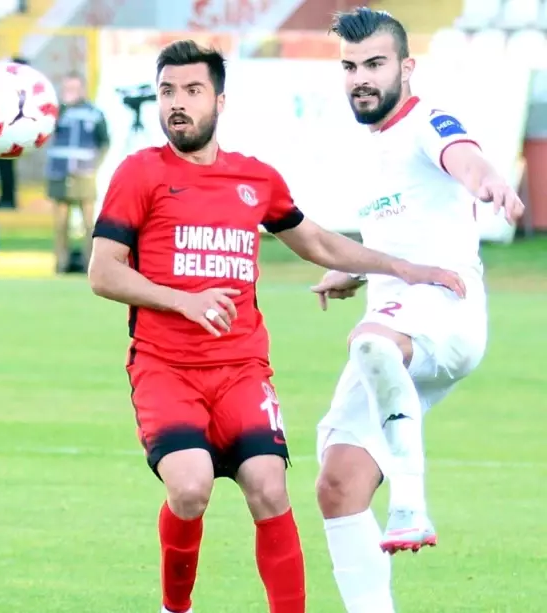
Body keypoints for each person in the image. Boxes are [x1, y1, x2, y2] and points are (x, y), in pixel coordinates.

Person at [88, 40, 467, 613]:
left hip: (241, 369)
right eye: (168, 92)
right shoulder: (139, 174)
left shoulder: (253, 178)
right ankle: (175, 608)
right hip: (165, 368)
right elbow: (103, 272)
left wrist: (398, 265)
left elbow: (313, 240)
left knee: (269, 486)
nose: (177, 105)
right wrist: (180, 302)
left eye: (192, 91)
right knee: (189, 488)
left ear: (220, 100)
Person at [311, 8, 525, 613]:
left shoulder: (426, 119)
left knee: (371, 341)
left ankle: (410, 503)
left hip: (446, 310)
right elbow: (400, 232)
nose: (362, 78)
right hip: (399, 321)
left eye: (375, 64)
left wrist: (490, 183)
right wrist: (351, 271)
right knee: (338, 482)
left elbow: (463, 155)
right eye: (351, 67)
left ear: (406, 67)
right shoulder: (371, 145)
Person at [46, 71, 109, 273]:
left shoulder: (94, 112)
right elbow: (45, 134)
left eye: (74, 88)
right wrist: (62, 108)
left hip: (84, 174)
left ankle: (89, 264)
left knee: (89, 224)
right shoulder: (55, 113)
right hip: (59, 172)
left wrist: (94, 166)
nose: (70, 92)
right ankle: (61, 264)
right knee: (60, 224)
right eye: (67, 88)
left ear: (82, 89)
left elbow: (104, 142)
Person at [0, 56, 29, 210]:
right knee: (4, 167)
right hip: (9, 132)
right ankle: (6, 197)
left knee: (5, 167)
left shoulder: (20, 88)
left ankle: (8, 198)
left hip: (11, 132)